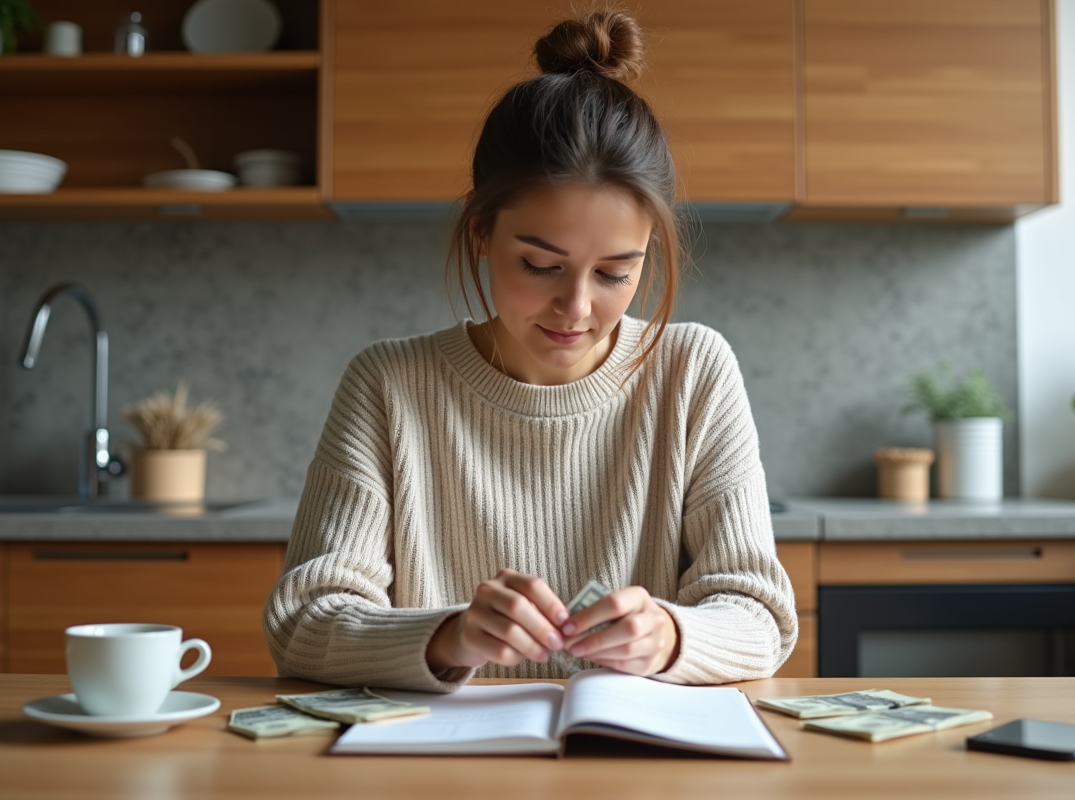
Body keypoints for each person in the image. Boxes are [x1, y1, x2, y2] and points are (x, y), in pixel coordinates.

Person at [264, 8, 797, 692]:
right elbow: (302, 622)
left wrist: (671, 636)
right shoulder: (387, 385)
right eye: (541, 265)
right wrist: (446, 636)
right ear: (482, 230)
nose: (577, 308)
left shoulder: (693, 370)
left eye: (615, 272)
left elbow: (760, 616)